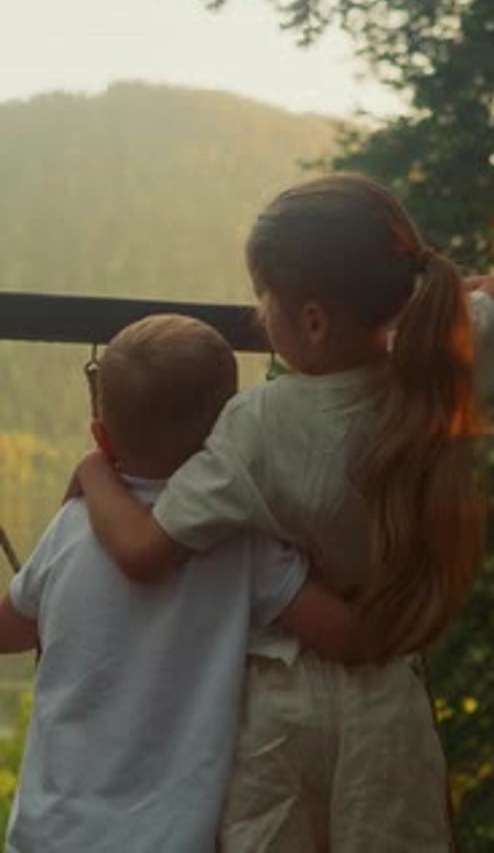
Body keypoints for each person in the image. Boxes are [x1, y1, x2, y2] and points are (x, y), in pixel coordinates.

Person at [75, 174, 494, 852]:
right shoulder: (442, 368)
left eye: (263, 296)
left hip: (280, 705)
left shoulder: (256, 425)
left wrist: (94, 473)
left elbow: (144, 552)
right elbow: (490, 295)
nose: (257, 315)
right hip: (390, 699)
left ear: (312, 321)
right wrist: (442, 296)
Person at [0, 314, 363, 853]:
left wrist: (91, 473)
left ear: (101, 435)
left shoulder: (73, 527)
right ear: (228, 438)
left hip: (49, 834)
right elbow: (346, 635)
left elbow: (8, 630)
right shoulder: (242, 541)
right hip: (172, 838)